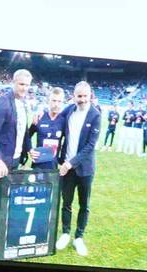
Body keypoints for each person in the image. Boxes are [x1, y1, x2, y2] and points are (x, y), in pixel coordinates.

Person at [0, 69, 34, 260]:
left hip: (15, 161)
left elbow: (24, 132)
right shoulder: (4, 101)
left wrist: (29, 150)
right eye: (21, 84)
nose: (24, 88)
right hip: (1, 162)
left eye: (27, 85)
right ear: (13, 82)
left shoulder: (24, 103)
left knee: (6, 200)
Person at [54, 81, 103, 257]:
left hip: (84, 169)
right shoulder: (69, 110)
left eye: (85, 96)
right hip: (67, 169)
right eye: (79, 96)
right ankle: (66, 233)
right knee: (66, 203)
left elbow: (90, 146)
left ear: (90, 96)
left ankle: (79, 237)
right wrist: (40, 116)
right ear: (74, 96)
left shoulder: (95, 115)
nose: (82, 99)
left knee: (84, 205)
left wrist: (70, 163)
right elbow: (55, 117)